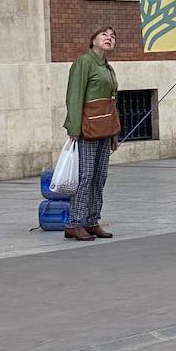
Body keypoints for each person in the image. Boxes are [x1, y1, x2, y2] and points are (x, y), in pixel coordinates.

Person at [62, 26, 121, 241]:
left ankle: (92, 220)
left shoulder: (108, 67)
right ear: (93, 39)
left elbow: (112, 103)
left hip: (105, 129)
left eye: (112, 36)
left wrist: (115, 134)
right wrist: (74, 128)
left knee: (99, 177)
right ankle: (74, 223)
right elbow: (74, 96)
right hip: (87, 129)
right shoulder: (84, 62)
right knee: (85, 176)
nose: (109, 38)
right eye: (104, 35)